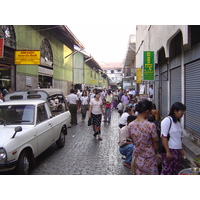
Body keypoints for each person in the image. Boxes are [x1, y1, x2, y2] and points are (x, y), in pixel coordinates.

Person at [128, 99, 159, 175]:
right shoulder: (151, 126)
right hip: (149, 159)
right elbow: (155, 146)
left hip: (136, 158)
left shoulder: (130, 125)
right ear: (147, 111)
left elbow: (132, 140)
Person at [160, 102, 186, 175]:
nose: (182, 114)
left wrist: (181, 149)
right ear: (175, 111)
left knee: (176, 170)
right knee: (167, 170)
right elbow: (164, 137)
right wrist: (167, 151)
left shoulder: (178, 122)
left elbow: (179, 137)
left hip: (177, 150)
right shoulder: (167, 121)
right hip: (170, 150)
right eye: (181, 111)